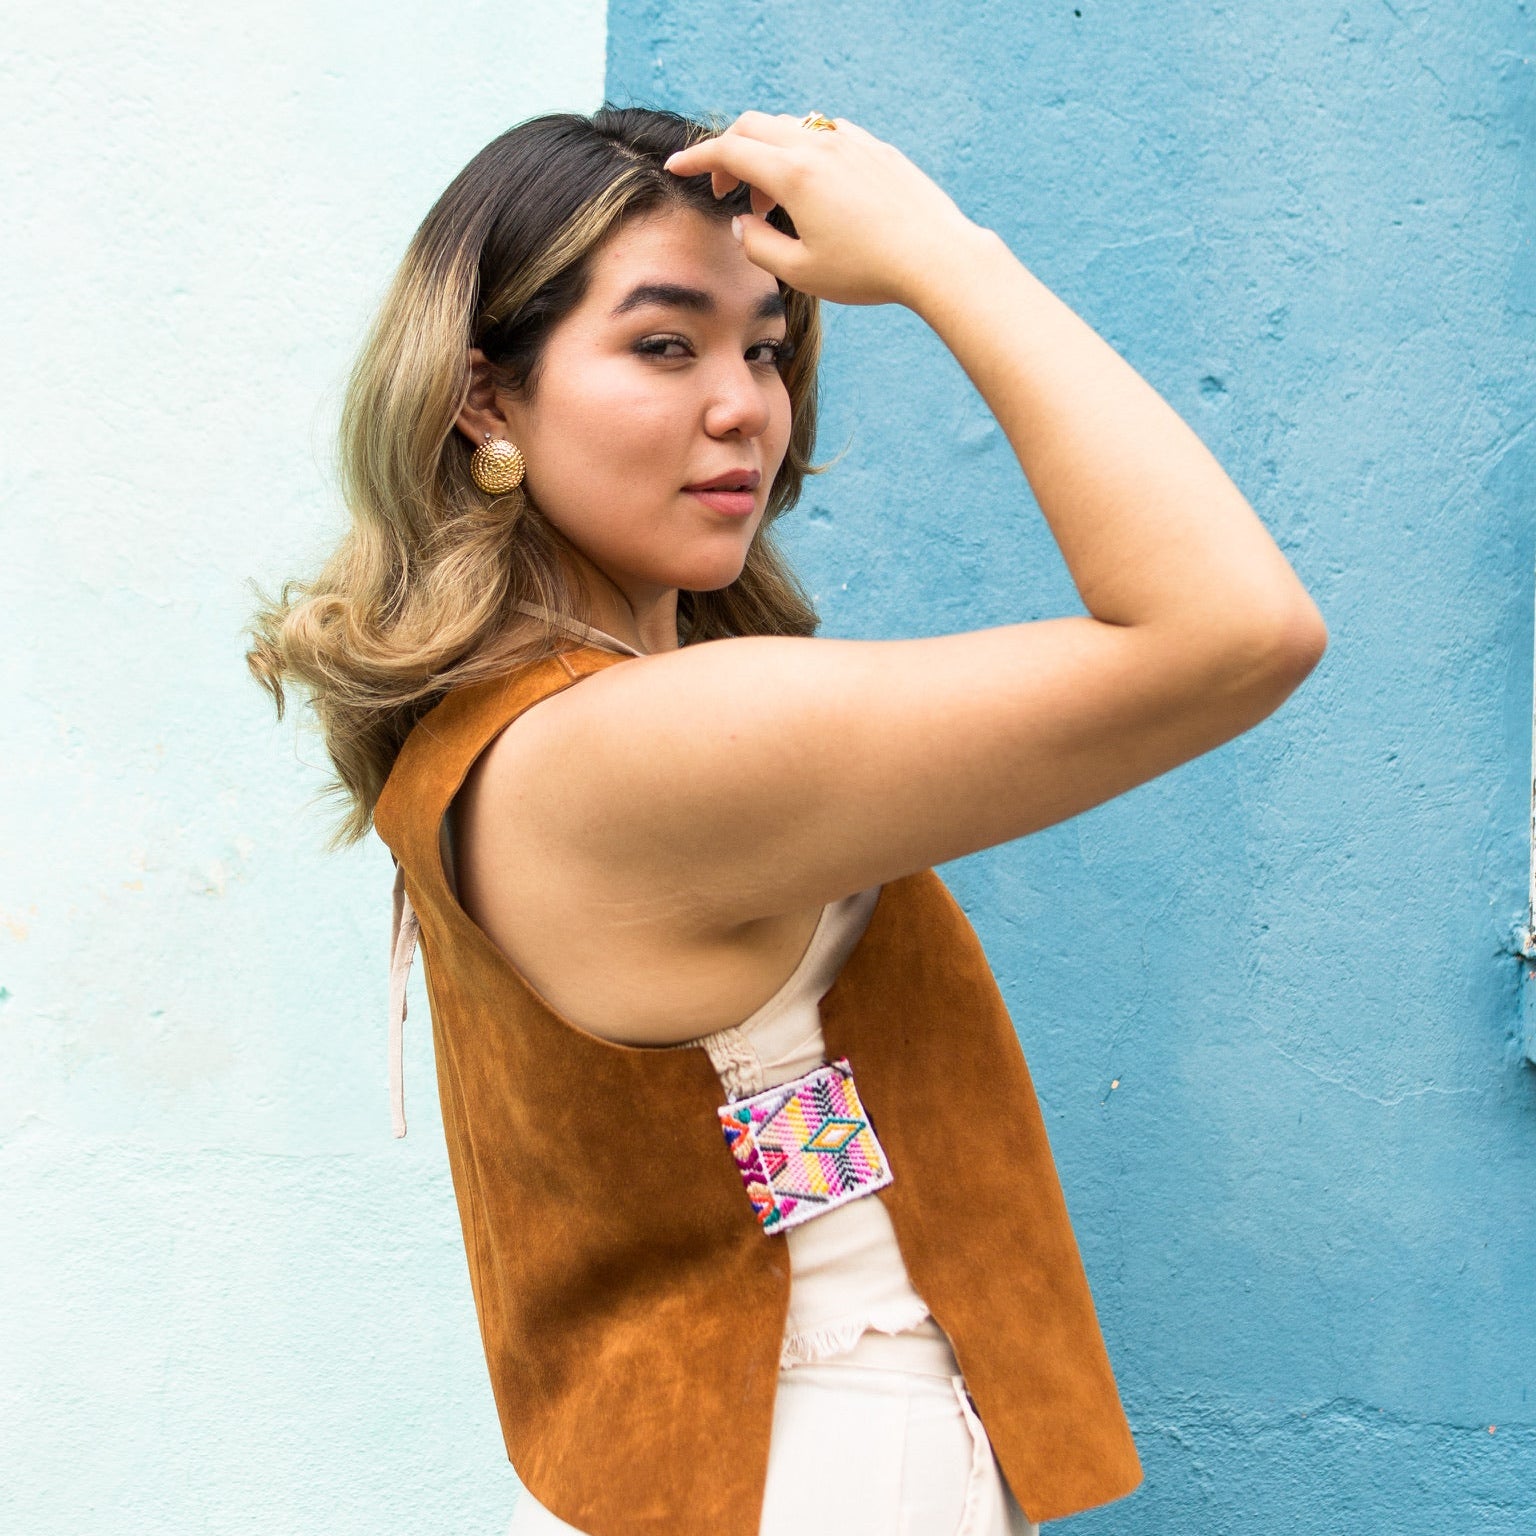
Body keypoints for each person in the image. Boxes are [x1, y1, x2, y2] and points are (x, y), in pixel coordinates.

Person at [246, 103, 1326, 1536]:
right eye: (662, 343)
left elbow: (773, 1112)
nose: (746, 405)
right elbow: (1237, 631)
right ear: (484, 400)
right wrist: (951, 256)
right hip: (815, 1467)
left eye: (765, 344)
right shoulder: (633, 748)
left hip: (763, 1448)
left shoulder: (536, 731)